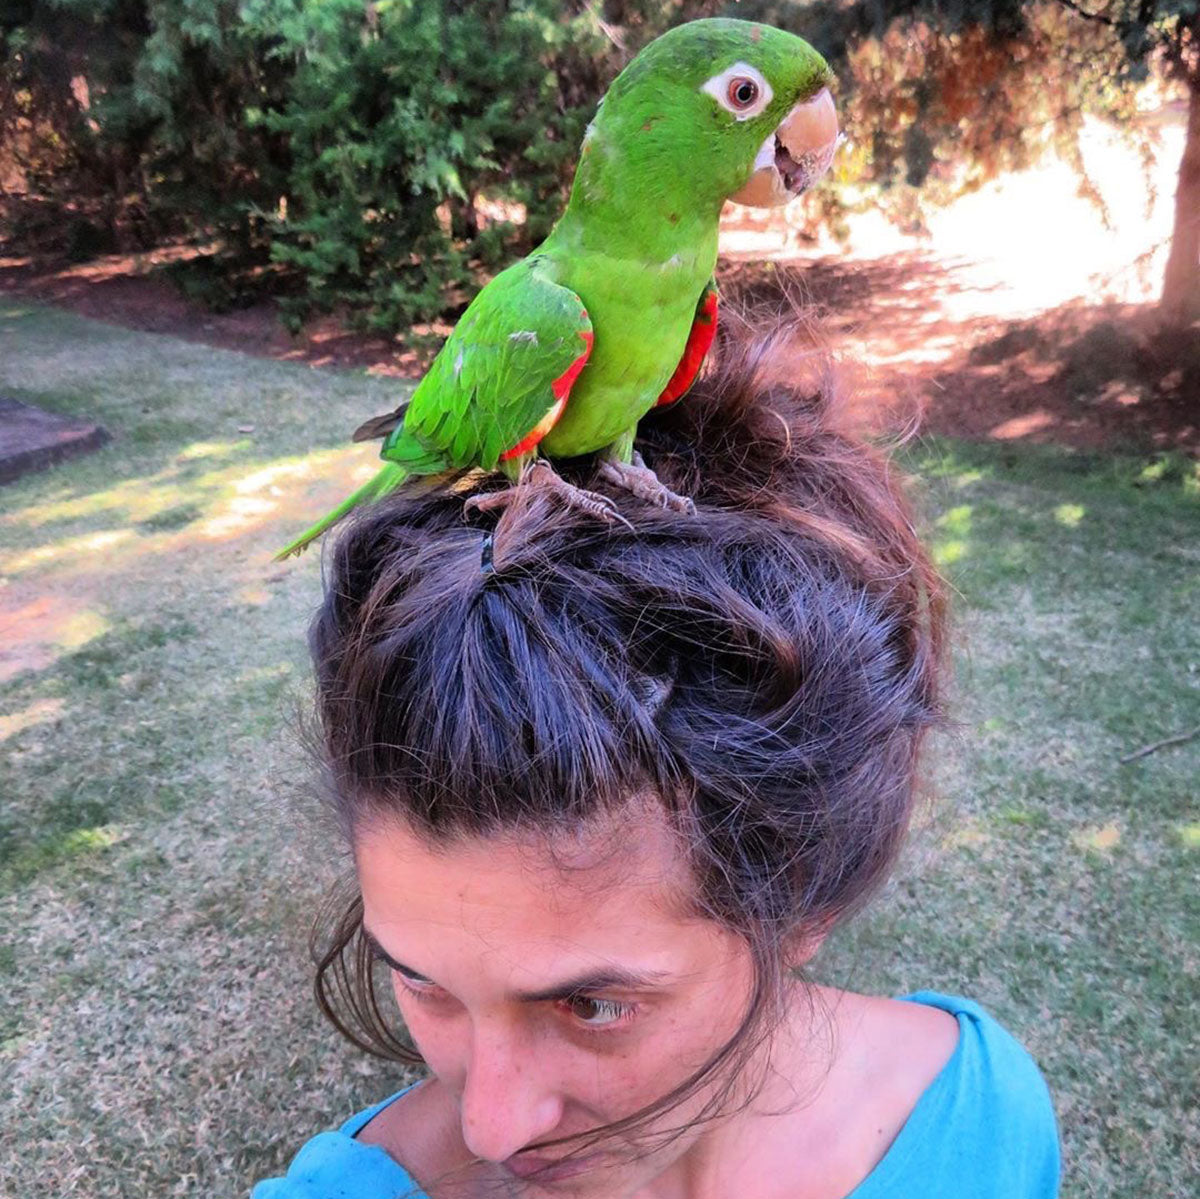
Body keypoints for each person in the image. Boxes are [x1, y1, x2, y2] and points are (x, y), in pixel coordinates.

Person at [253, 325, 1060, 1198]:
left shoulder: (984, 1123)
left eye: (593, 1006)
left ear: (805, 893)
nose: (491, 1125)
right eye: (421, 981)